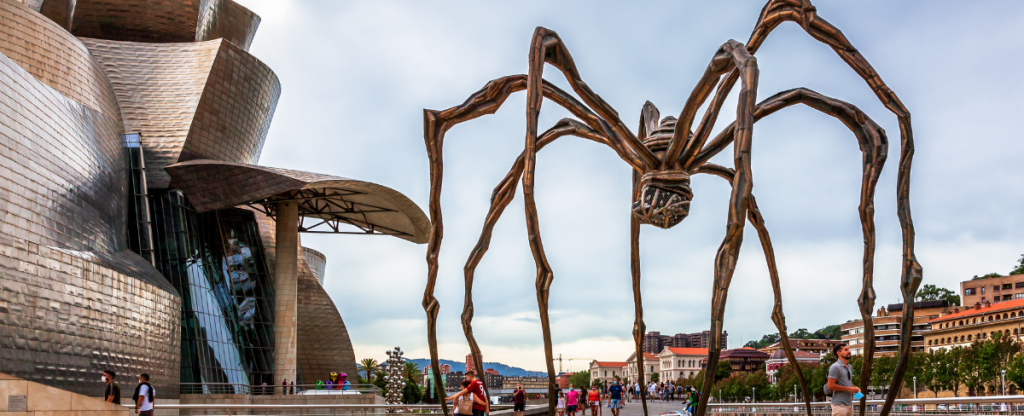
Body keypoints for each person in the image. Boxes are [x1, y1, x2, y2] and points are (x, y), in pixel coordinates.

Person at [827, 344, 860, 416]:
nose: (849, 351)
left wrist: (854, 388)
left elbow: (847, 382)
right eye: (846, 350)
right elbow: (831, 385)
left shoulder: (849, 366)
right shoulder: (835, 367)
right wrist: (848, 389)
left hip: (849, 404)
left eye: (848, 349)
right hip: (839, 405)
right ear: (838, 353)